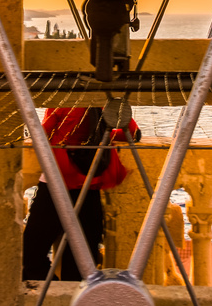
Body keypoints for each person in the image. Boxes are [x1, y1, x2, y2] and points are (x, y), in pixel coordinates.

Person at [22, 105, 139, 281]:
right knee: (81, 260)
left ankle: (50, 293)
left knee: (31, 251)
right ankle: (71, 301)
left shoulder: (63, 104)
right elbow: (131, 131)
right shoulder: (104, 103)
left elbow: (43, 133)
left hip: (57, 182)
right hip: (89, 185)